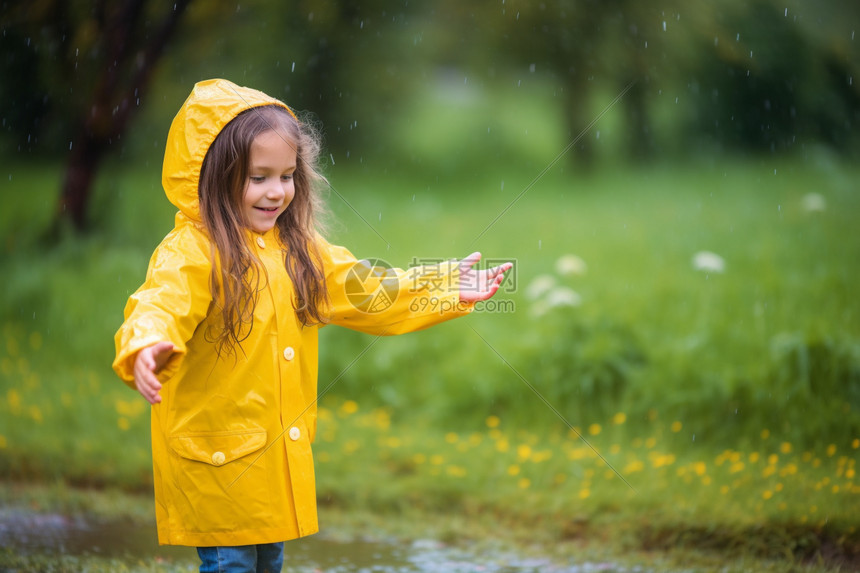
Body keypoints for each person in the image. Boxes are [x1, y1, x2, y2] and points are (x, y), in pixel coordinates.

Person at [112, 78, 512, 573]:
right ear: (213, 178)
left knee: (268, 563)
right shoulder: (192, 252)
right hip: (216, 461)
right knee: (230, 565)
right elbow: (159, 302)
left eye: (286, 175)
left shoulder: (300, 250)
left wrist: (448, 286)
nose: (276, 192)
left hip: (273, 461)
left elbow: (367, 289)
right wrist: (145, 343)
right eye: (258, 177)